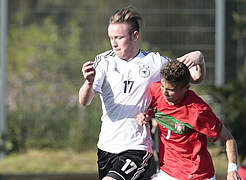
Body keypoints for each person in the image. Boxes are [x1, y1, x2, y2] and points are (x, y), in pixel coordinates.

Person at [78, 7, 206, 180]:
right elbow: (84, 101)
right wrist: (89, 82)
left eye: (119, 38)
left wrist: (199, 57)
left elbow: (195, 77)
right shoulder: (103, 62)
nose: (114, 43)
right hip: (106, 148)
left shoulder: (154, 62)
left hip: (136, 148)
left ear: (135, 36)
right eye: (111, 38)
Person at [136, 60, 241, 180]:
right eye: (163, 86)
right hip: (168, 171)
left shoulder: (198, 111)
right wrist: (146, 115)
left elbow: (228, 138)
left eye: (171, 90)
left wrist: (232, 169)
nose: (164, 92)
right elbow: (151, 109)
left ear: (186, 88)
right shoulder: (156, 91)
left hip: (196, 174)